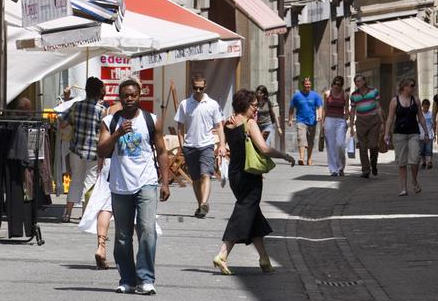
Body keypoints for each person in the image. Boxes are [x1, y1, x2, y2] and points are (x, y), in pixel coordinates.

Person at [96, 78, 170, 295]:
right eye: (125, 96)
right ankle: (127, 279)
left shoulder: (151, 120)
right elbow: (101, 150)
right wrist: (118, 133)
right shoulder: (110, 121)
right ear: (119, 97)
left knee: (147, 230)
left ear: (139, 96)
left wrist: (165, 182)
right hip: (120, 185)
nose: (129, 99)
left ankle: (146, 278)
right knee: (122, 236)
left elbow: (162, 151)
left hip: (146, 182)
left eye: (133, 95)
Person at [212, 89, 295, 275]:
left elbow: (224, 146)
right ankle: (222, 254)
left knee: (252, 212)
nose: (256, 109)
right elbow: (264, 149)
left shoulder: (229, 123)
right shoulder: (249, 123)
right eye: (254, 105)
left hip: (235, 174)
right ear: (245, 105)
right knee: (244, 210)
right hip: (250, 174)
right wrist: (284, 155)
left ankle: (264, 259)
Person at [175, 74, 227, 219]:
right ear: (192, 87)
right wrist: (182, 146)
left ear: (205, 87)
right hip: (190, 146)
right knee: (196, 179)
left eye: (200, 88)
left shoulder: (212, 104)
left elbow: (220, 126)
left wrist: (222, 144)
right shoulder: (185, 104)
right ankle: (201, 206)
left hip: (207, 145)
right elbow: (179, 127)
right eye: (195, 88)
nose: (198, 91)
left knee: (206, 174)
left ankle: (204, 203)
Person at [78, 100, 122, 270]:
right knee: (132, 209)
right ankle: (132, 251)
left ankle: (101, 246)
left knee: (105, 206)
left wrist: (100, 163)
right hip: (127, 164)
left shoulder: (109, 111)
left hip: (108, 163)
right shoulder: (136, 113)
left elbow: (102, 143)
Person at [60, 77, 107, 222]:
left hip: (76, 149)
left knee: (76, 180)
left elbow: (62, 123)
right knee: (90, 181)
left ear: (86, 90)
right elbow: (105, 132)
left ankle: (67, 213)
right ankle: (85, 215)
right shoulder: (102, 111)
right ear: (99, 91)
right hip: (94, 152)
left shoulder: (76, 106)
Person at [384, 79, 429, 196]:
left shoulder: (416, 100)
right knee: (402, 162)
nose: (413, 88)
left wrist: (426, 132)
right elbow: (390, 118)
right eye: (411, 86)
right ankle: (403, 188)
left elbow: (421, 117)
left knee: (415, 159)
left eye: (414, 85)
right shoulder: (395, 101)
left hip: (414, 133)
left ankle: (414, 180)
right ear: (404, 87)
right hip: (399, 134)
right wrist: (386, 133)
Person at [349, 74, 384, 178]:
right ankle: (365, 170)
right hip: (360, 122)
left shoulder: (374, 91)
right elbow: (352, 111)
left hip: (374, 121)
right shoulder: (354, 95)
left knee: (373, 145)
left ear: (364, 81)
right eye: (356, 82)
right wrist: (351, 126)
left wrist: (382, 123)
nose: (357, 83)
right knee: (363, 147)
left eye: (359, 81)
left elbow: (379, 108)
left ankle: (373, 163)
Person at [287, 78, 323, 166]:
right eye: (306, 84)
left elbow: (319, 106)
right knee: (301, 138)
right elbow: (291, 108)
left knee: (310, 141)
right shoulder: (297, 96)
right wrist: (290, 119)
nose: (308, 86)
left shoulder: (315, 96)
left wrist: (320, 116)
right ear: (303, 85)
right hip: (301, 120)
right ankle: (301, 158)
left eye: (309, 84)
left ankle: (309, 159)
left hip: (312, 121)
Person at [321, 76, 349, 176]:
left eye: (339, 84)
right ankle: (333, 169)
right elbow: (324, 108)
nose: (336, 86)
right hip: (329, 119)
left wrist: (346, 119)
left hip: (341, 120)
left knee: (340, 144)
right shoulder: (327, 94)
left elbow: (346, 110)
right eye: (335, 84)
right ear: (332, 84)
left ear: (341, 85)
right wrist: (322, 123)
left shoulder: (345, 95)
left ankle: (340, 167)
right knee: (331, 146)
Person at [419, 99, 434, 169]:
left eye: (427, 107)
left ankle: (429, 162)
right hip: (421, 135)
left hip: (429, 135)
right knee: (422, 150)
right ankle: (424, 162)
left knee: (429, 150)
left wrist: (435, 134)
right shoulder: (419, 114)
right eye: (424, 107)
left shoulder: (431, 114)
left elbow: (434, 124)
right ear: (422, 106)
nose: (426, 108)